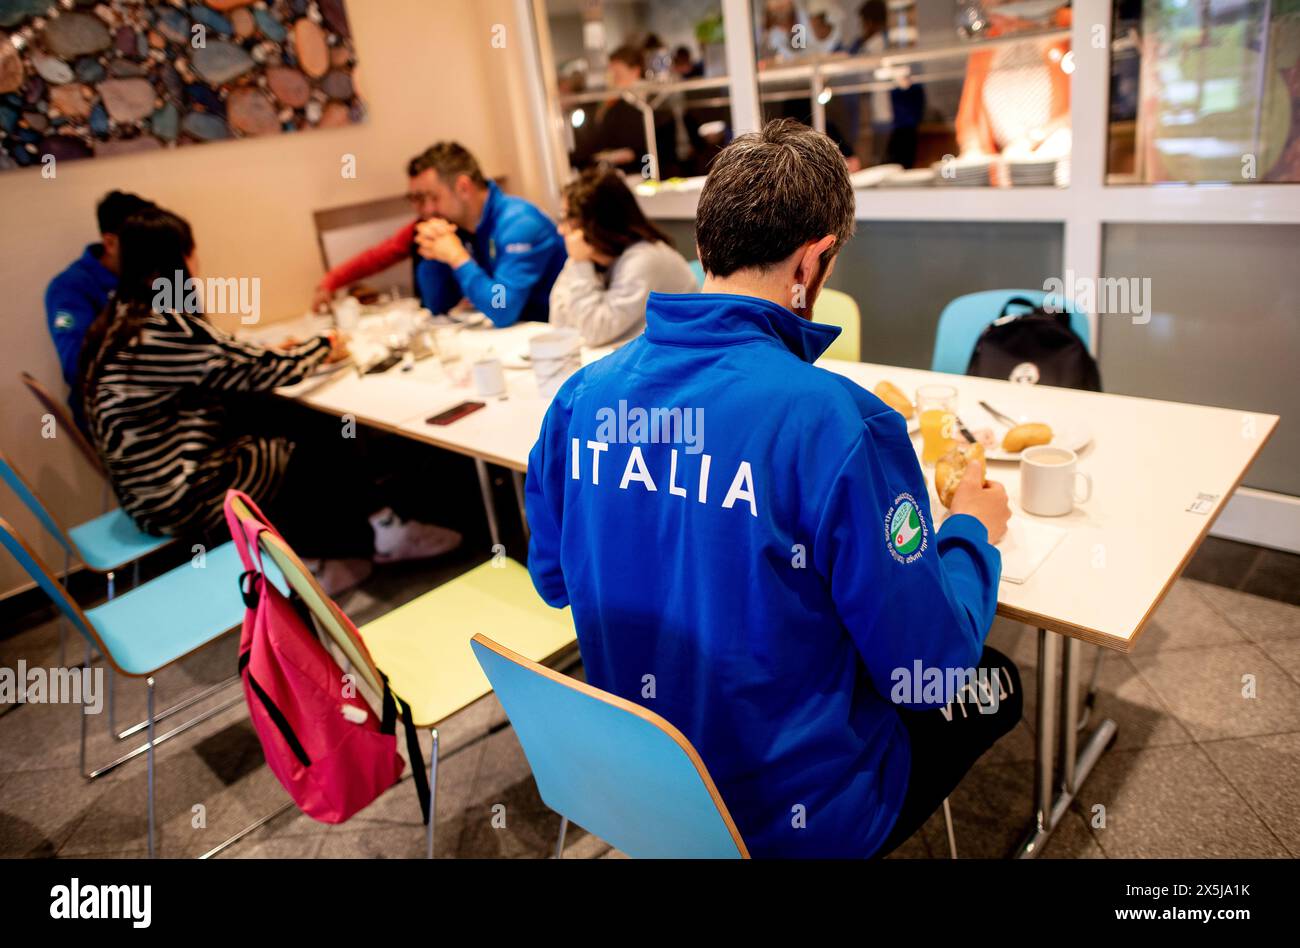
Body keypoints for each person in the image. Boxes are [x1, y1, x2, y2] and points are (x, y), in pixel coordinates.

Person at [525, 119, 1017, 858]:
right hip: (801, 819)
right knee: (998, 682)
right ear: (815, 260)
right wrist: (969, 533)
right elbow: (926, 675)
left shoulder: (581, 397)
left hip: (649, 792)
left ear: (702, 250)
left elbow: (554, 581)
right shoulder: (842, 424)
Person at [82, 207, 460, 595]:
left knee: (277, 413)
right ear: (179, 257)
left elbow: (228, 362)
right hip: (177, 495)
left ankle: (351, 540)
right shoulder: (163, 326)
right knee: (313, 427)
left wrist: (272, 353)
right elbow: (255, 368)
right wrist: (324, 346)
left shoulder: (121, 319)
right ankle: (346, 548)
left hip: (143, 492)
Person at [412, 142, 566, 327]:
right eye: (420, 199)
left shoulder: (519, 223)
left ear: (463, 187)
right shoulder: (457, 227)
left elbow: (502, 307)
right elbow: (437, 307)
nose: (427, 209)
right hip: (517, 336)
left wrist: (457, 258)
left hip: (558, 337)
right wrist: (433, 254)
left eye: (434, 197)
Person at [548, 166, 699, 347]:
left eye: (568, 217)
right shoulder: (595, 257)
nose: (561, 229)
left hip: (681, 358)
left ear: (595, 222)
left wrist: (579, 264)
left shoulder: (643, 258)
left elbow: (594, 332)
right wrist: (578, 262)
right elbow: (559, 322)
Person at [45, 190, 156, 430]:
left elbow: (195, 327)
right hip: (115, 417)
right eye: (143, 244)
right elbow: (77, 366)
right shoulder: (69, 288)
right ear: (110, 242)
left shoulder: (156, 275)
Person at [310, 146, 461, 314]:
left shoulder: (464, 225)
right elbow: (374, 258)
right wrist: (329, 282)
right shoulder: (419, 229)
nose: (427, 208)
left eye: (433, 197)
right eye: (416, 199)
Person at [570, 45, 651, 176]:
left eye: (617, 74)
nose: (612, 79)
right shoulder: (611, 100)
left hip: (636, 171)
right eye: (610, 73)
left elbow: (637, 149)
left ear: (635, 71)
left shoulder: (640, 102)